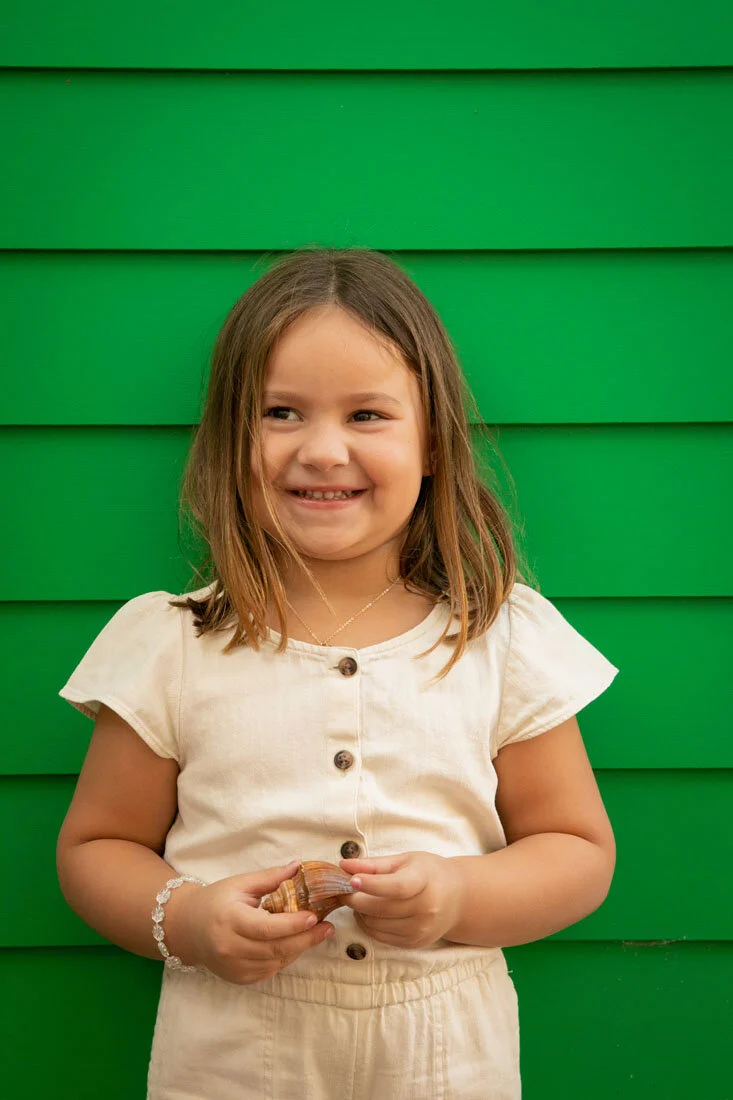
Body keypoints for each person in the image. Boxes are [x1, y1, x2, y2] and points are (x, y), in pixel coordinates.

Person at [56, 246, 619, 1100]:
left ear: (431, 441)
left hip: (444, 1049)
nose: (322, 450)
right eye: (282, 412)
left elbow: (577, 851)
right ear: (230, 440)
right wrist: (196, 921)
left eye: (367, 416)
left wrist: (458, 896)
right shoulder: (172, 641)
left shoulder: (497, 636)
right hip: (232, 1047)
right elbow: (96, 848)